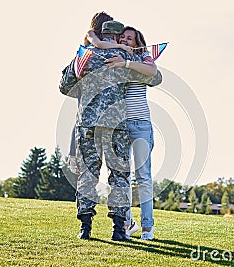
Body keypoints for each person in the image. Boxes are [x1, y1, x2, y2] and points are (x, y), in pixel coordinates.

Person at [59, 18, 162, 241]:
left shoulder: (84, 55)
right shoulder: (126, 56)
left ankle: (85, 228)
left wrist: (87, 91)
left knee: (88, 175)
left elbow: (64, 85)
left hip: (87, 123)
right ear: (117, 37)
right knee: (119, 177)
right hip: (117, 125)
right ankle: (118, 230)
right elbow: (154, 77)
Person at [105, 27, 156, 240]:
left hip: (142, 124)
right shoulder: (115, 56)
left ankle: (147, 227)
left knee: (143, 178)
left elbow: (153, 72)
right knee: (122, 177)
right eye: (123, 37)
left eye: (130, 38)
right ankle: (128, 223)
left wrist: (125, 63)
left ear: (137, 42)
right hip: (122, 126)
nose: (125, 39)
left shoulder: (142, 59)